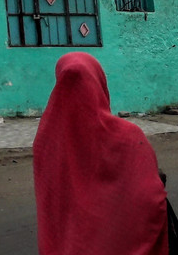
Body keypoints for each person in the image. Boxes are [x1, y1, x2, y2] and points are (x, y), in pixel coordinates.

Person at [33, 52, 168, 255]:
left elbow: (52, 207)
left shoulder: (45, 141)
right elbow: (148, 199)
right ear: (99, 82)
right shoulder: (128, 136)